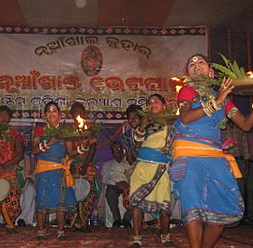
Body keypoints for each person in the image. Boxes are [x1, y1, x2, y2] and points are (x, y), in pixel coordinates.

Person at [171, 54, 253, 248]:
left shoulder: (223, 98)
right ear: (188, 73)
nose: (196, 65)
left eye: (200, 62)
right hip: (189, 155)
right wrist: (217, 101)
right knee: (194, 210)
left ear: (211, 71)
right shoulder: (187, 91)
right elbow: (185, 118)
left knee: (219, 217)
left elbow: (245, 125)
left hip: (215, 158)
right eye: (191, 63)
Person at [130, 94, 174, 248]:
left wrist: (169, 150)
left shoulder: (171, 124)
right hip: (142, 167)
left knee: (164, 208)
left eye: (156, 102)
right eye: (150, 102)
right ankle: (136, 238)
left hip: (161, 169)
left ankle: (165, 237)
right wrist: (142, 126)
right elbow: (136, 145)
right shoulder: (144, 123)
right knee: (136, 203)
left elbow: (176, 145)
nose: (152, 104)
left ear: (164, 105)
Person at [32, 101, 77, 240]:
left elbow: (71, 152)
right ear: (45, 115)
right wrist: (49, 143)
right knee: (42, 199)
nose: (52, 113)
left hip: (59, 170)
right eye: (49, 111)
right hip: (43, 170)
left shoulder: (65, 131)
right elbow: (34, 150)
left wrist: (85, 146)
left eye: (54, 111)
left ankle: (61, 231)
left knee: (60, 201)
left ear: (60, 115)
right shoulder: (40, 130)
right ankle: (40, 231)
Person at [68, 101, 98, 231]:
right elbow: (68, 152)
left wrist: (85, 165)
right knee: (73, 193)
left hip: (87, 166)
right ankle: (74, 222)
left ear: (84, 113)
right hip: (72, 166)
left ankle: (84, 222)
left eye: (80, 111)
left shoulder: (90, 129)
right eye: (75, 112)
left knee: (88, 194)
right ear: (71, 115)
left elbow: (92, 148)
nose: (78, 114)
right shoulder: (68, 131)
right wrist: (72, 165)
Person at [101, 141, 132, 228]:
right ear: (112, 152)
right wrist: (116, 183)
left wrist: (128, 185)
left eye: (119, 149)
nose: (117, 151)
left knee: (137, 194)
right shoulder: (107, 165)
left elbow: (133, 177)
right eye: (115, 149)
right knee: (110, 193)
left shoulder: (128, 164)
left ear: (123, 151)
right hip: (114, 185)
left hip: (127, 186)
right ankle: (117, 219)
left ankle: (126, 219)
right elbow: (105, 179)